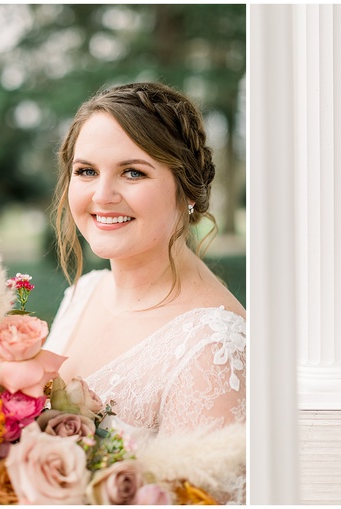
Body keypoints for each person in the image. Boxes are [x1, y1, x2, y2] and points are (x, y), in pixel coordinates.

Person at [43, 82, 246, 498]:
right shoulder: (83, 292)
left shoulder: (211, 349)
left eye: (132, 172)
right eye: (86, 171)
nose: (102, 196)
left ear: (186, 189)